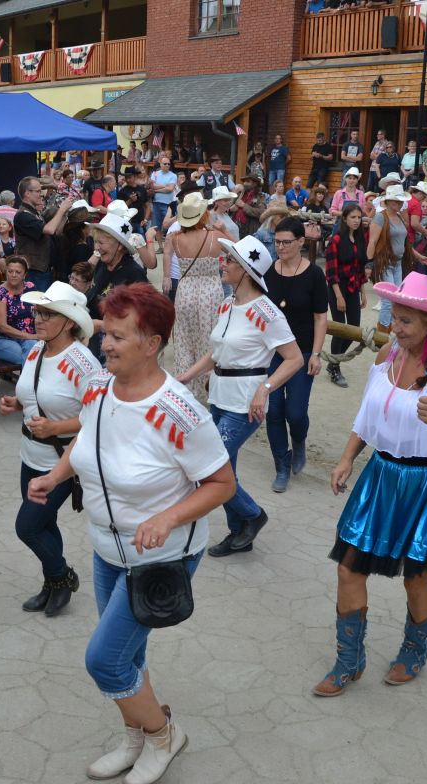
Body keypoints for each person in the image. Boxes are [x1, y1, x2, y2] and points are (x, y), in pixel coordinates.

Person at [27, 283, 234, 784]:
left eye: (119, 337)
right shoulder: (100, 386)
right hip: (106, 547)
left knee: (105, 659)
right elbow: (86, 436)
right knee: (129, 655)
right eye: (107, 334)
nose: (106, 344)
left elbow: (222, 484)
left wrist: (168, 518)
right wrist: (56, 475)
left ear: (152, 343)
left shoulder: (181, 411)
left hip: (161, 557)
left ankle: (164, 735)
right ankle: (136, 736)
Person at [314, 272, 427, 697]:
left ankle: (414, 649)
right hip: (383, 476)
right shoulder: (387, 354)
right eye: (394, 317)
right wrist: (347, 458)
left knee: (416, 576)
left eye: (406, 320)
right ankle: (349, 658)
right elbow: (367, 415)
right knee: (348, 566)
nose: (394, 326)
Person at [177, 235, 303, 557]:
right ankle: (239, 533)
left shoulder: (267, 312)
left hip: (246, 403)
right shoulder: (227, 304)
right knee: (224, 470)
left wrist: (265, 388)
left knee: (211, 466)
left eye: (230, 259)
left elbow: (294, 359)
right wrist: (188, 375)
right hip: (219, 396)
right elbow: (216, 352)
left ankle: (253, 515)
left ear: (246, 270)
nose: (223, 263)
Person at [0, 282, 97, 615]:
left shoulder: (84, 363)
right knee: (44, 523)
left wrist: (56, 427)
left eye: (47, 314)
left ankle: (62, 576)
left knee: (27, 526)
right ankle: (52, 584)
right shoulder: (36, 350)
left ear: (69, 322)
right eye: (38, 312)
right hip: (30, 455)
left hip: (61, 461)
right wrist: (17, 403)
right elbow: (35, 394)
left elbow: (98, 417)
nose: (37, 319)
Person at [266, 217, 328, 493]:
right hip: (272, 353)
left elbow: (320, 317)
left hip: (302, 352)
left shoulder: (314, 274)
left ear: (301, 242)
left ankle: (299, 440)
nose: (280, 247)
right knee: (273, 410)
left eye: (286, 242)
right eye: (277, 242)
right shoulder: (268, 271)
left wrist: (316, 353)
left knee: (295, 412)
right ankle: (281, 464)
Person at [168, 193, 223, 404]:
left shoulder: (175, 238)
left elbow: (167, 259)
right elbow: (239, 250)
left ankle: (185, 394)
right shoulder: (215, 236)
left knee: (183, 341)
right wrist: (225, 231)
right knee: (208, 341)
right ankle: (208, 392)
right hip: (210, 291)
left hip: (185, 290)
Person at [86, 211, 150, 357]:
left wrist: (102, 326)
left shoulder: (134, 273)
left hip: (117, 349)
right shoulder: (103, 265)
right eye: (95, 242)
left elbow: (142, 319)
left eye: (101, 243)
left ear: (119, 245)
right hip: (94, 342)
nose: (96, 248)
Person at [324, 203, 370, 388]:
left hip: (353, 288)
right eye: (353, 217)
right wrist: (338, 296)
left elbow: (360, 268)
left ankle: (333, 360)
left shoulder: (360, 238)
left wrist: (363, 293)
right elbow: (331, 272)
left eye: (359, 217)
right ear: (344, 218)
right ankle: (335, 368)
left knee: (354, 330)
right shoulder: (335, 239)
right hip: (337, 288)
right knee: (340, 329)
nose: (357, 221)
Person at [368, 184, 413, 336]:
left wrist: (419, 256)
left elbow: (404, 243)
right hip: (385, 263)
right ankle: (382, 335)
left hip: (398, 263)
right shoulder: (380, 217)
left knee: (395, 299)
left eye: (400, 201)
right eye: (396, 200)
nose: (400, 203)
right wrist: (369, 264)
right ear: (388, 201)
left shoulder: (399, 217)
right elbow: (372, 241)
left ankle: (386, 332)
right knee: (388, 301)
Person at [15, 176, 72, 290]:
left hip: (44, 270)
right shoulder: (22, 215)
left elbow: (56, 231)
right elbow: (49, 229)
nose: (41, 194)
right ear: (27, 193)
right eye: (38, 191)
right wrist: (61, 209)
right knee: (37, 301)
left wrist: (65, 213)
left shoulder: (34, 213)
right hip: (34, 272)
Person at [0, 256, 39, 365]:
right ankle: (31, 377)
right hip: (1, 339)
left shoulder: (30, 287)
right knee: (24, 356)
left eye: (18, 272)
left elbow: (38, 312)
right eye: (10, 271)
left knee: (33, 348)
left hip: (27, 337)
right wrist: (30, 336)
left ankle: (29, 376)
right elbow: (2, 327)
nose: (13, 275)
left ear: (24, 274)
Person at [148, 156, 178, 232]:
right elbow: (152, 186)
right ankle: (159, 241)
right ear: (160, 164)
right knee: (156, 227)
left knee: (169, 226)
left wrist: (156, 190)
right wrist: (165, 186)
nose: (167, 165)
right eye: (165, 164)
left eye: (168, 164)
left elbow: (170, 189)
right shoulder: (155, 173)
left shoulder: (173, 175)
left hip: (168, 204)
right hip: (156, 203)